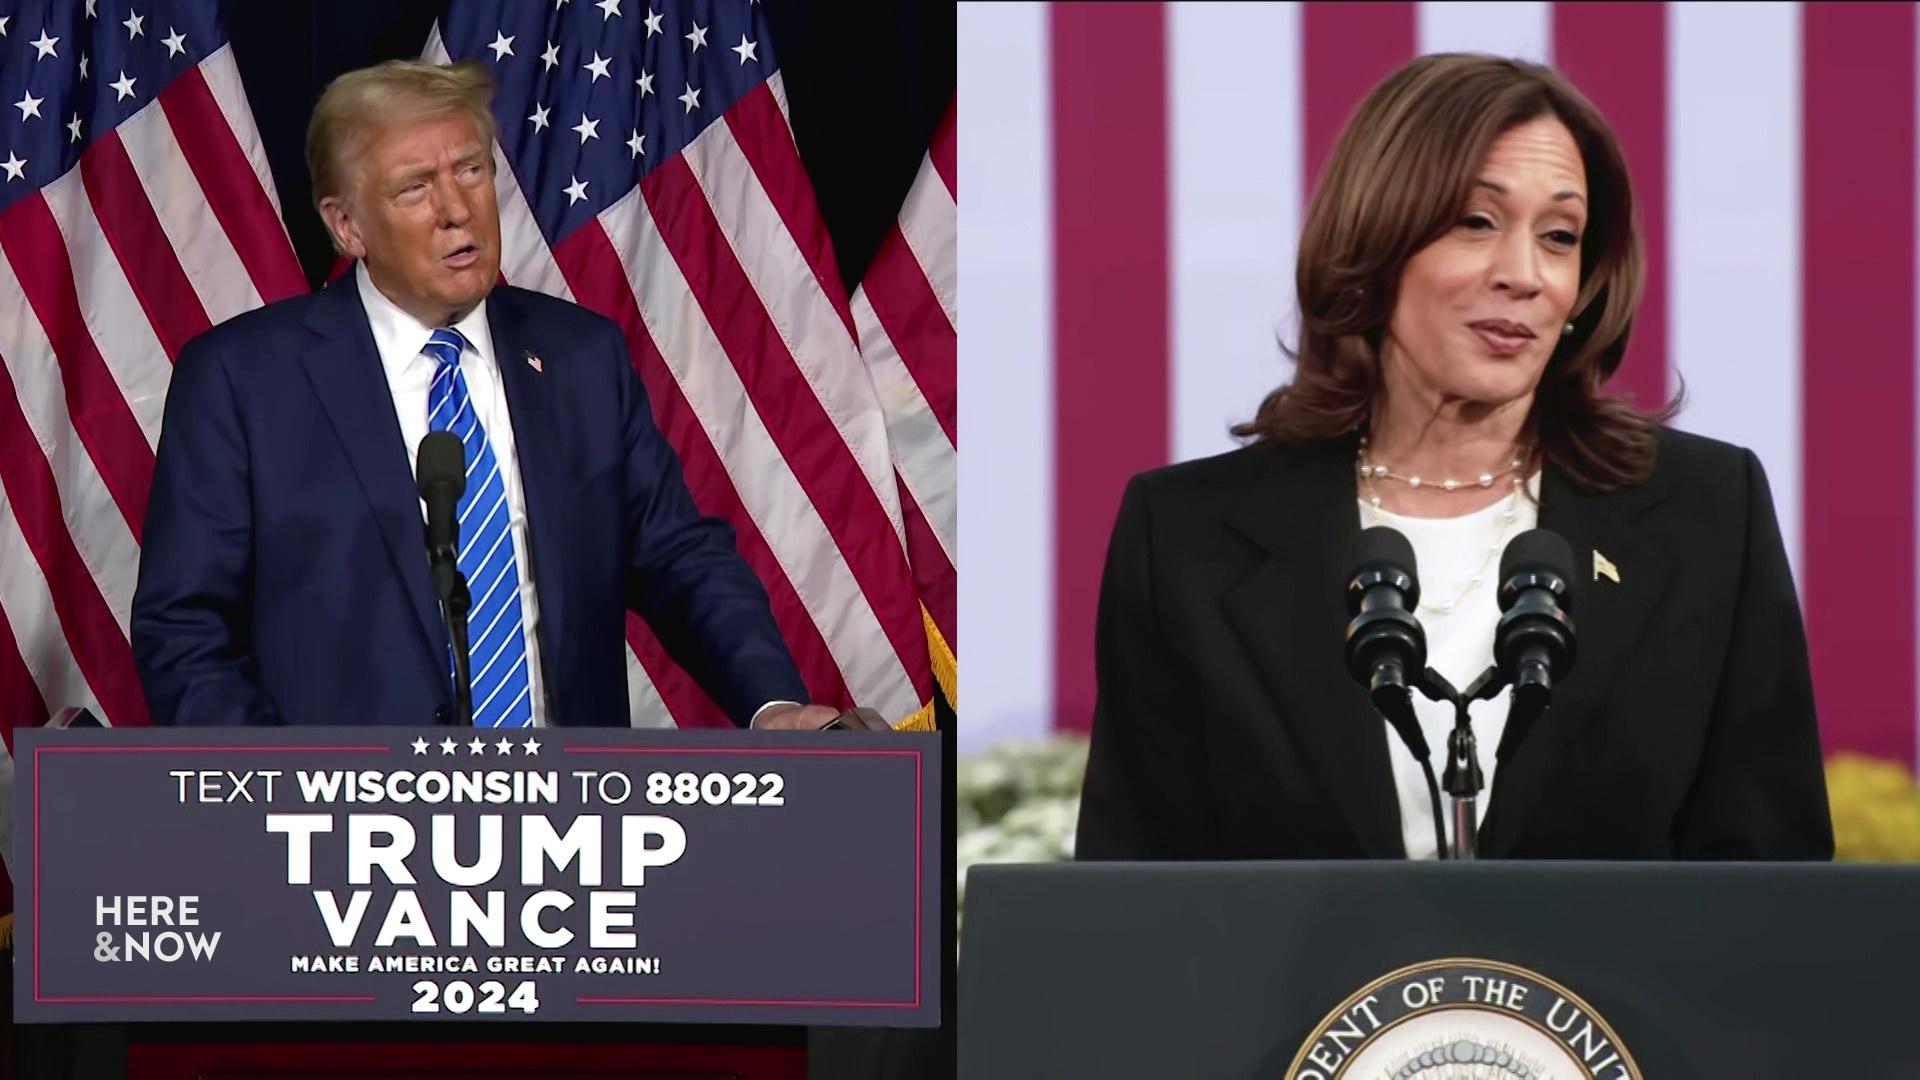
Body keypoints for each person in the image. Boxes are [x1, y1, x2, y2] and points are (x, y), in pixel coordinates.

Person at [1074, 53, 1832, 861]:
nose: (1525, 276)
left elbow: (1773, 902)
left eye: (1560, 237)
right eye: (1477, 222)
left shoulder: (1707, 512)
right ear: (1376, 239)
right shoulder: (1186, 538)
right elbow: (1138, 909)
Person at [132, 60, 844, 731]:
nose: (456, 209)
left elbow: (678, 559)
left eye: (470, 170)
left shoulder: (580, 358)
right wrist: (274, 801)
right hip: (338, 835)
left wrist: (771, 703)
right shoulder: (243, 381)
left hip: (572, 826)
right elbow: (187, 628)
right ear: (347, 226)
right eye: (415, 187)